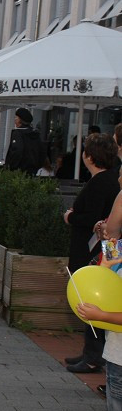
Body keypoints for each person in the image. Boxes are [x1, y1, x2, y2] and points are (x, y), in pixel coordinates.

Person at [63, 134, 120, 373]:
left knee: (94, 297)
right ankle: (93, 353)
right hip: (107, 245)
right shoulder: (109, 181)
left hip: (102, 247)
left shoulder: (101, 182)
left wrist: (70, 217)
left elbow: (107, 225)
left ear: (89, 157)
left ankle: (94, 355)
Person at [5, 108, 45, 175]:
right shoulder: (36, 134)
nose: (15, 120)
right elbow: (42, 152)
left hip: (18, 172)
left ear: (20, 120)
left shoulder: (18, 134)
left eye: (16, 118)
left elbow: (17, 151)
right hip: (32, 171)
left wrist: (10, 167)